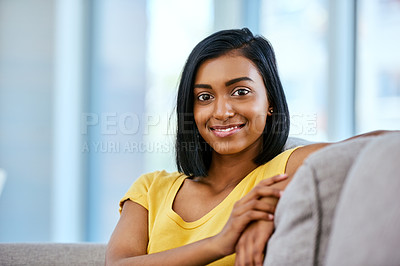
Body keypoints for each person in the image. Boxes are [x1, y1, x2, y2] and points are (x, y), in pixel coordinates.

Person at [105, 28, 385, 266]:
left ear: (270, 101)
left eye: (240, 92)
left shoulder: (287, 169)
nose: (222, 111)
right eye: (204, 96)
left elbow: (385, 145)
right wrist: (220, 243)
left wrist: (281, 194)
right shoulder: (151, 190)